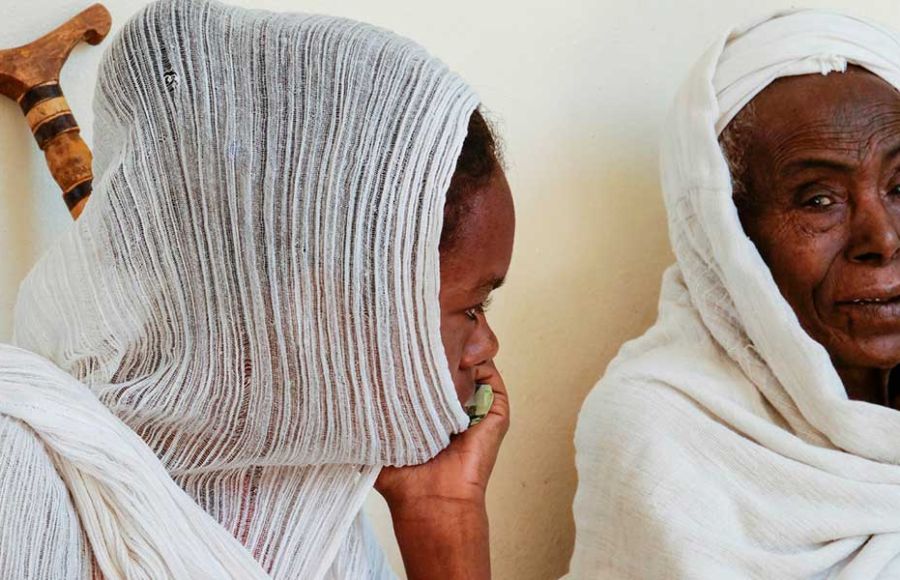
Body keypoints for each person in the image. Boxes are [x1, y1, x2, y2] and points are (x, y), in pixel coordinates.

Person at [0, 0, 514, 578]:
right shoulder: (19, 481)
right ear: (325, 301)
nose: (486, 346)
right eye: (472, 308)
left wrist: (443, 511)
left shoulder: (298, 502)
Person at [569, 10, 900, 579]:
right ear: (728, 236)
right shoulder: (663, 430)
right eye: (819, 200)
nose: (883, 239)